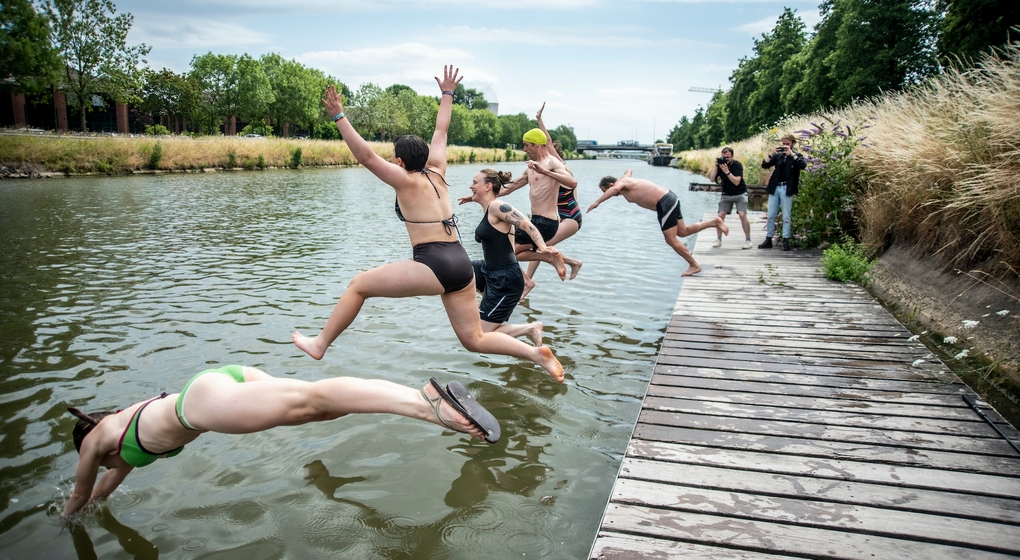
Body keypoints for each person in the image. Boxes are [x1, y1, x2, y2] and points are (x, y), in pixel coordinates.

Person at [293, 66, 563, 382]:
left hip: (434, 262)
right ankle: (534, 353)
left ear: (399, 161)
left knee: (358, 286)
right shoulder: (437, 170)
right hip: (460, 263)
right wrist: (447, 94)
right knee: (474, 339)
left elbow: (366, 157)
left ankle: (320, 344)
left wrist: (340, 117)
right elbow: (441, 131)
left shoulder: (404, 180)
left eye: (394, 158)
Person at [61, 365, 500, 519]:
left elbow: (80, 493)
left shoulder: (97, 442)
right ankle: (415, 402)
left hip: (202, 405)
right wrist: (98, 507)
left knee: (313, 399)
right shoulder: (119, 443)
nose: (101, 466)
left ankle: (424, 404)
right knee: (320, 408)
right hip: (220, 384)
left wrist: (64, 521)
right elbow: (100, 492)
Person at [458, 169, 552, 345]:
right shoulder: (489, 208)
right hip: (489, 271)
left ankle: (530, 328)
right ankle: (486, 301)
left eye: (474, 182)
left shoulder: (497, 206)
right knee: (457, 270)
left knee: (478, 336)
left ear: (488, 186)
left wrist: (542, 247)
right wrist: (471, 198)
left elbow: (526, 224)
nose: (471, 186)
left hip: (506, 279)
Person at [587, 170, 728, 276]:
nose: (611, 195)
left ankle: (694, 265)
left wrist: (597, 202)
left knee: (671, 239)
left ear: (610, 185)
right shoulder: (625, 179)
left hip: (664, 202)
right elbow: (628, 170)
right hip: (669, 199)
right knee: (683, 231)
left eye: (606, 191)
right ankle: (715, 222)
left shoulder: (619, 184)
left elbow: (615, 189)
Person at [497, 124, 578, 297]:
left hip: (547, 222)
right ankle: (541, 266)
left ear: (537, 145)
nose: (524, 149)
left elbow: (572, 183)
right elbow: (510, 188)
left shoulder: (552, 163)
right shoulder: (531, 166)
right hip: (536, 221)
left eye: (527, 145)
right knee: (508, 249)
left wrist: (545, 172)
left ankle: (530, 279)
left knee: (504, 248)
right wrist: (481, 194)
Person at [522, 103, 583, 288]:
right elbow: (547, 143)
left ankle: (571, 263)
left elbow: (547, 143)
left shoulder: (559, 167)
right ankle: (528, 281)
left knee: (540, 245)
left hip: (571, 217)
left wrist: (540, 121)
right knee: (538, 243)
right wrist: (539, 120)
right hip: (560, 217)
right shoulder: (548, 166)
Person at [760, 134, 807, 251]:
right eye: (784, 144)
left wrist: (792, 155)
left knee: (786, 216)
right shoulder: (778, 156)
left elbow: (803, 165)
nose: (785, 146)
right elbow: (765, 165)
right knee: (771, 215)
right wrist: (772, 153)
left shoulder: (796, 156)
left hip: (787, 188)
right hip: (775, 187)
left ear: (793, 144)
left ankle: (786, 240)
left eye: (787, 144)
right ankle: (768, 238)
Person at [707, 146, 752, 249]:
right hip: (726, 194)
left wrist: (727, 171)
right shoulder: (720, 166)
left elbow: (737, 182)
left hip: (740, 193)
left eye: (728, 157)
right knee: (720, 215)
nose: (726, 159)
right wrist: (716, 166)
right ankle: (718, 239)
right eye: (724, 157)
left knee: (742, 214)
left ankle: (748, 240)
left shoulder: (737, 165)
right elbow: (712, 179)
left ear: (732, 156)